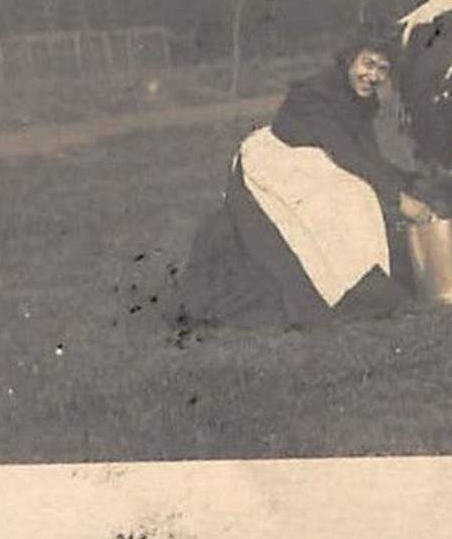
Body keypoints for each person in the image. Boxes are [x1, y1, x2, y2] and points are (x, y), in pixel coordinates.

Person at [175, 24, 436, 330]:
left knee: (358, 194)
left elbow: (367, 154)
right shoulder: (315, 94)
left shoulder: (362, 98)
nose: (372, 76)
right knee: (351, 198)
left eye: (382, 69)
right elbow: (345, 154)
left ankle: (364, 275)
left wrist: (408, 182)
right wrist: (401, 200)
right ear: (351, 59)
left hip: (317, 160)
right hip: (278, 161)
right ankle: (348, 284)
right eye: (367, 64)